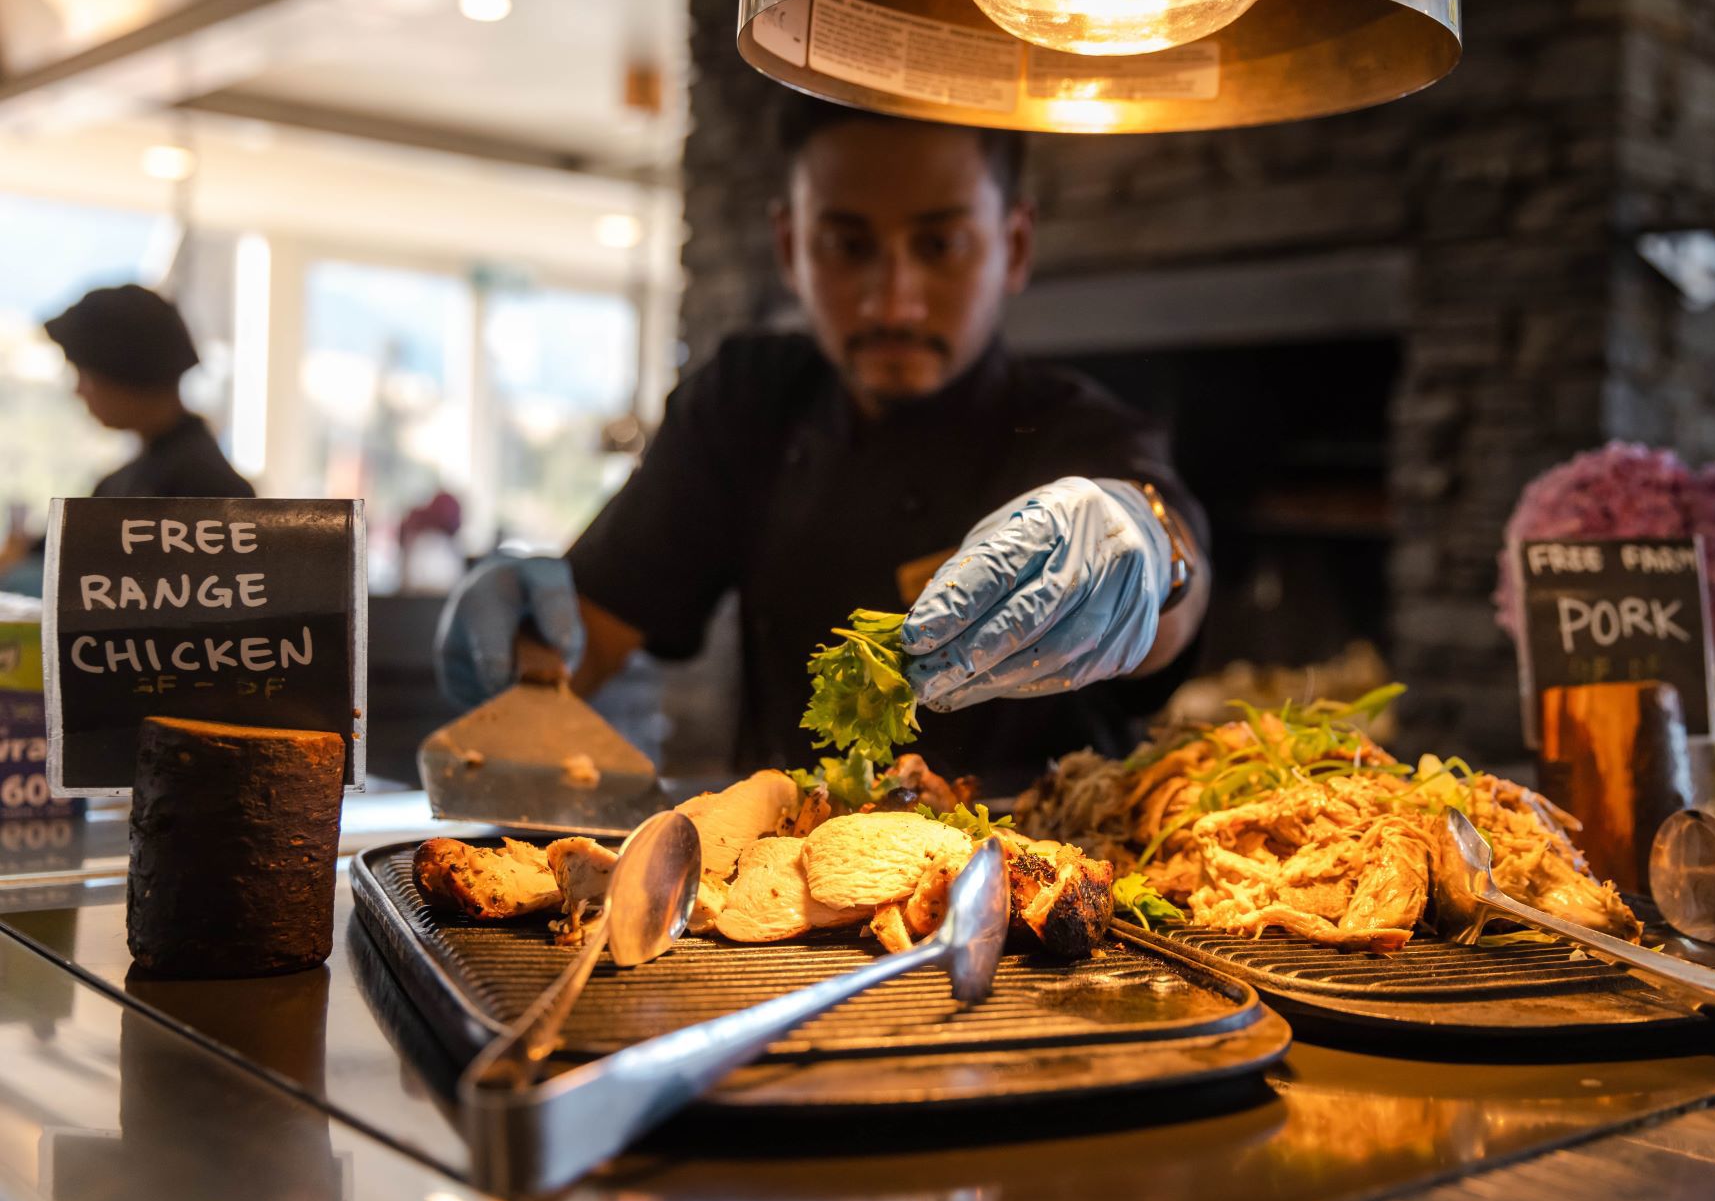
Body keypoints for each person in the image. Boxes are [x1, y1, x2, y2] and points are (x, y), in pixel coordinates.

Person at [436, 97, 1211, 782]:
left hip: (1031, 896)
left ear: (1014, 245)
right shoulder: (749, 399)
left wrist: (1145, 552)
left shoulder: (1079, 427)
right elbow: (584, 638)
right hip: (779, 883)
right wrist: (517, 648)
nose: (894, 302)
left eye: (939, 246)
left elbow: (1178, 577)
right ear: (789, 247)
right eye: (848, 246)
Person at [0, 285, 254, 591]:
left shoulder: (210, 491)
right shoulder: (129, 479)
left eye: (86, 374)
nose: (78, 390)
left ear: (129, 373)